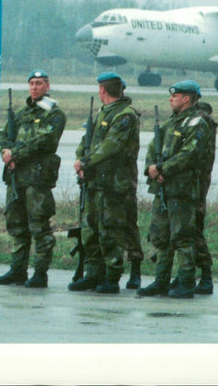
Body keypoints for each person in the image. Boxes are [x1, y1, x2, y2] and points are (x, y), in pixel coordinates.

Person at [0, 70, 66, 289]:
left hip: (37, 178)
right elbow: (4, 135)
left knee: (39, 225)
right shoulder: (21, 113)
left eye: (39, 83)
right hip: (16, 177)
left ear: (47, 85)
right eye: (32, 83)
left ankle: (40, 273)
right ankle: (17, 270)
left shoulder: (54, 114)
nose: (35, 87)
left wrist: (16, 154)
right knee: (16, 225)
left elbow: (45, 140)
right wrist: (6, 152)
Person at [138, 80, 212, 299]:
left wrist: (162, 169)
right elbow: (153, 148)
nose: (170, 100)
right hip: (164, 188)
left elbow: (190, 154)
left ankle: (186, 281)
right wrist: (151, 168)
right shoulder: (171, 123)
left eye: (175, 96)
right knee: (161, 236)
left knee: (182, 237)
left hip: (182, 189)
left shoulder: (197, 124)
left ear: (186, 98)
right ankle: (161, 281)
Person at [69, 72, 141, 294]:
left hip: (114, 183)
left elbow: (111, 145)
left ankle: (112, 275)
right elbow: (87, 141)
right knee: (91, 229)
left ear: (103, 90)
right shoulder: (103, 113)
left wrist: (86, 162)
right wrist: (82, 160)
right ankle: (93, 273)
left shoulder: (125, 116)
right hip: (95, 181)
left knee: (110, 229)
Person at [167, 99, 218, 294]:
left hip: (195, 183)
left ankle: (205, 274)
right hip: (188, 182)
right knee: (185, 230)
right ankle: (186, 274)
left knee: (193, 229)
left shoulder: (202, 125)